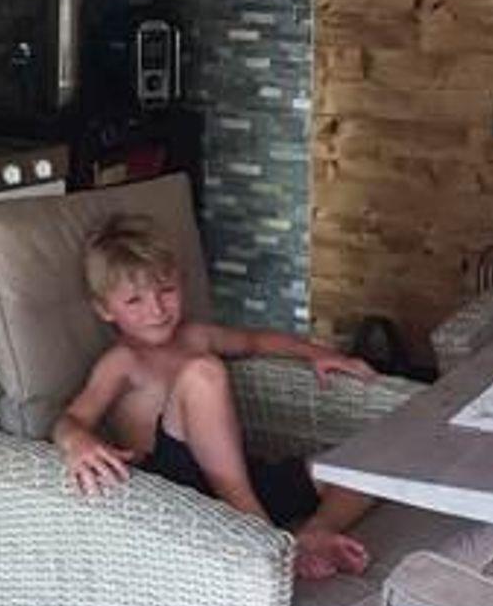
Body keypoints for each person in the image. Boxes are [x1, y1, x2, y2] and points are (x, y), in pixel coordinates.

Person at [53, 212, 380, 580]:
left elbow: (255, 341)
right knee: (203, 373)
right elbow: (71, 419)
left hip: (239, 475)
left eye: (166, 290)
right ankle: (259, 532)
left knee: (366, 469)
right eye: (134, 301)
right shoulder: (122, 362)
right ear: (104, 309)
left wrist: (318, 353)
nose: (156, 310)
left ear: (181, 282)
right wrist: (77, 442)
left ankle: (315, 531)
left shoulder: (195, 336)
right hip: (181, 488)